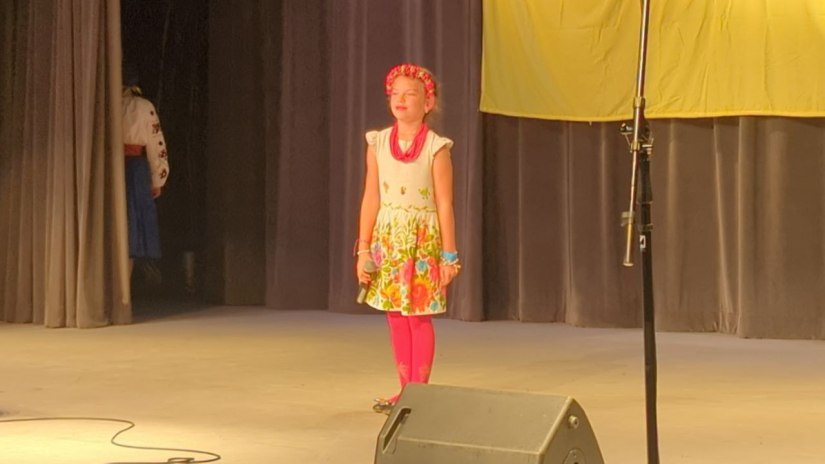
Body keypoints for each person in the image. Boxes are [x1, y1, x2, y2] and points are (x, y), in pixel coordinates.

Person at [356, 64, 460, 414]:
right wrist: (363, 248)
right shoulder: (377, 143)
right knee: (396, 316)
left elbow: (444, 203)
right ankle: (404, 390)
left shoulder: (436, 147)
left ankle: (420, 393)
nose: (401, 100)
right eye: (395, 93)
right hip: (389, 240)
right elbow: (371, 196)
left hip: (422, 242)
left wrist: (449, 255)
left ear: (428, 102)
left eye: (410, 94)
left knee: (418, 316)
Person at [122, 62, 169, 278]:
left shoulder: (109, 105)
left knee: (126, 227)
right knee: (132, 229)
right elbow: (156, 144)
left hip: (119, 170)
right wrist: (158, 178)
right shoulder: (143, 106)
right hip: (134, 171)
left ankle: (122, 284)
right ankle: (124, 285)